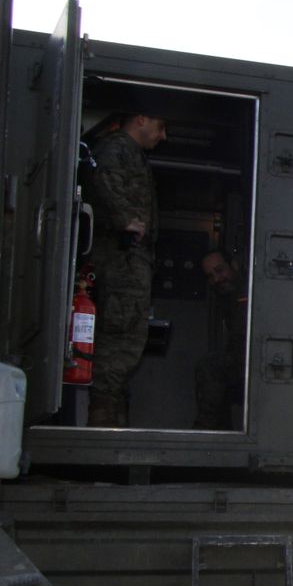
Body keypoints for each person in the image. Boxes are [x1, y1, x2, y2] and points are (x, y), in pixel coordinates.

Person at [84, 112, 166, 427]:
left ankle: (110, 417)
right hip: (123, 258)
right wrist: (125, 219)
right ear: (141, 120)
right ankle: (102, 421)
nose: (163, 136)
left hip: (132, 258)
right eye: (161, 127)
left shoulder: (130, 152)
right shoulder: (117, 147)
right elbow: (104, 178)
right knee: (120, 338)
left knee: (127, 338)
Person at [193, 250, 247, 430]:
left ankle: (207, 427)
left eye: (220, 270)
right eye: (210, 276)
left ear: (234, 265)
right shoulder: (226, 297)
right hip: (240, 362)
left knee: (210, 367)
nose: (217, 279)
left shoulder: (251, 290)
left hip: (255, 362)